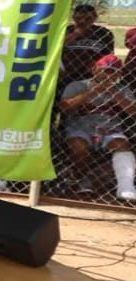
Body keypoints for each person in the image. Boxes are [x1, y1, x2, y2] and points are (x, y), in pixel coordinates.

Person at [59, 55, 136, 200]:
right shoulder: (78, 85)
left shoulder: (122, 89)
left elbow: (133, 112)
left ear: (119, 74)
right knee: (79, 147)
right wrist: (93, 92)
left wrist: (114, 92)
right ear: (94, 69)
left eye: (113, 71)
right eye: (105, 70)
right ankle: (79, 180)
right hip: (80, 127)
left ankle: (125, 187)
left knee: (122, 145)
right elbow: (64, 107)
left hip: (110, 128)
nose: (109, 74)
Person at [61, 4, 114, 89]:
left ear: (95, 18)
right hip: (67, 74)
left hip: (93, 75)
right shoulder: (66, 31)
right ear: (73, 17)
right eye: (78, 18)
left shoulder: (103, 33)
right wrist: (75, 34)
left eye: (88, 19)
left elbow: (109, 56)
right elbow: (57, 50)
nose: (82, 21)